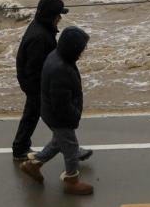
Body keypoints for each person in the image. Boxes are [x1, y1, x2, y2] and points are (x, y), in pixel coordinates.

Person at [12, 0, 93, 163]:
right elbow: (34, 69)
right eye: (58, 15)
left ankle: (20, 147)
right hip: (36, 84)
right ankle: (71, 151)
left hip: (34, 82)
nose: (60, 19)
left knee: (33, 115)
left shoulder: (41, 28)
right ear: (51, 16)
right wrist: (43, 90)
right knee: (58, 122)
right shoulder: (40, 38)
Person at [20, 26, 94, 195]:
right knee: (71, 147)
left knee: (58, 141)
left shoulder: (56, 56)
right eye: (82, 49)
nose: (83, 52)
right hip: (60, 117)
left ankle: (34, 164)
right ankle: (71, 180)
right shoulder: (61, 69)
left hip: (50, 113)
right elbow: (61, 104)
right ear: (73, 50)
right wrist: (74, 117)